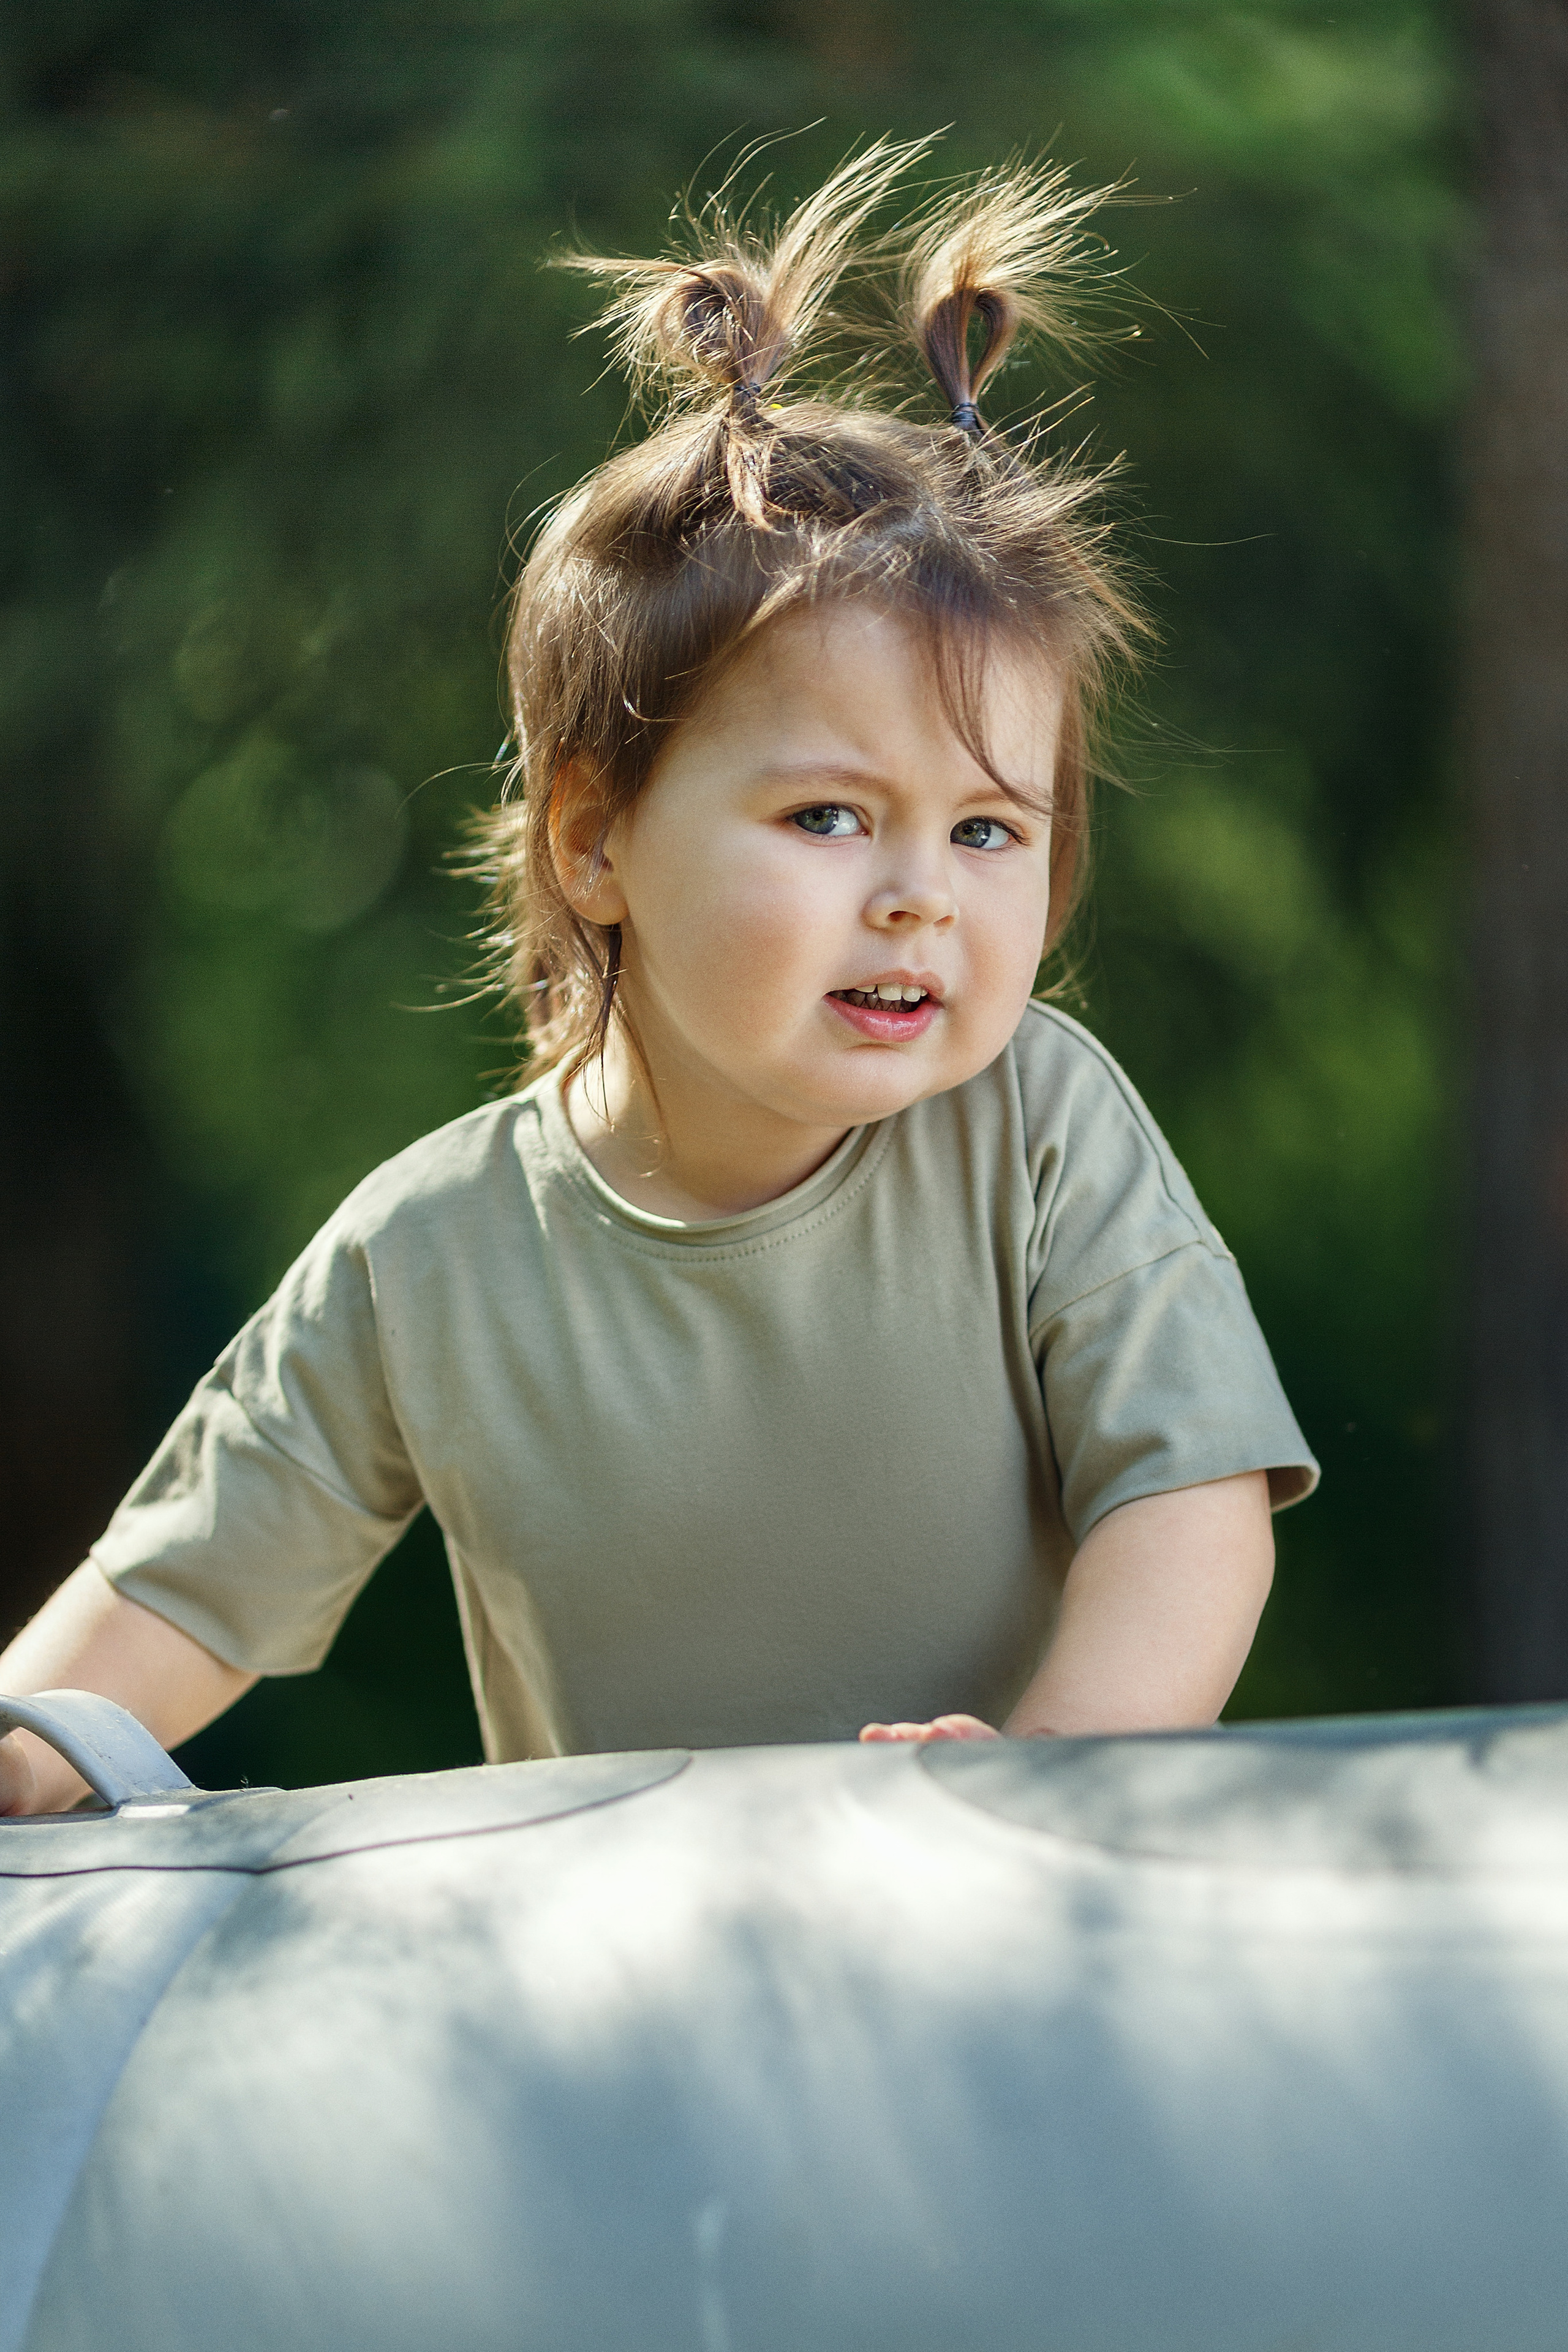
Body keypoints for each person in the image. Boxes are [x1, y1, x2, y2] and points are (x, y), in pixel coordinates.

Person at [0, 143, 1316, 1816]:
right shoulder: (435, 1256)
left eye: (989, 831)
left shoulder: (1039, 1126)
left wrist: (1053, 1775)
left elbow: (1189, 1503)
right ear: (593, 841)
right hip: (632, 2017)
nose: (922, 898)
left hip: (1005, 1962)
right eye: (829, 816)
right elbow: (169, 1600)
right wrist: (30, 1743)